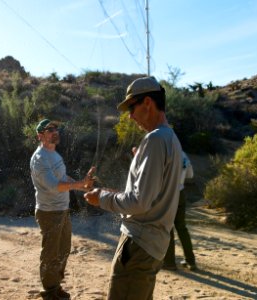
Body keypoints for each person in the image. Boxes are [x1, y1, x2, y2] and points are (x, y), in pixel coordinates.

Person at [84, 76, 182, 300]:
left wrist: (102, 198)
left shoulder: (155, 140)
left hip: (138, 245)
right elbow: (149, 197)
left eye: (132, 107)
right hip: (153, 246)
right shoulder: (171, 139)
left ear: (147, 102)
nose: (130, 115)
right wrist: (108, 192)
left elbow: (139, 202)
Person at [30, 119, 95, 300]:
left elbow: (63, 177)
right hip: (49, 212)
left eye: (56, 128)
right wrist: (79, 184)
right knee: (51, 253)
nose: (55, 131)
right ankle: (49, 291)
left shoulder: (55, 155)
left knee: (63, 250)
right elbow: (53, 185)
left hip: (62, 209)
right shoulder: (40, 158)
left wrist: (83, 186)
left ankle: (55, 285)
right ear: (40, 136)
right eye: (50, 129)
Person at [163, 151, 197, 271]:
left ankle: (169, 262)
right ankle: (190, 261)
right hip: (180, 193)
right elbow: (190, 174)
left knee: (168, 227)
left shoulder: (164, 152)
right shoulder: (182, 154)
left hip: (167, 194)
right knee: (182, 227)